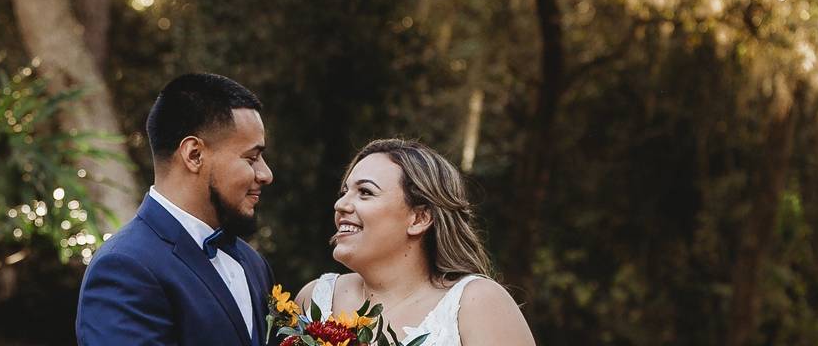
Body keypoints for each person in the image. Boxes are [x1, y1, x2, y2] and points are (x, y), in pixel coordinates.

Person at [76, 73, 275, 346]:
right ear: (194, 155)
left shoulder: (253, 263)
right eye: (251, 158)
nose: (266, 174)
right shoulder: (124, 267)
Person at [295, 139, 535, 346]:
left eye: (365, 192)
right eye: (343, 192)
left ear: (420, 218)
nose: (341, 205)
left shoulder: (476, 303)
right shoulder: (314, 298)